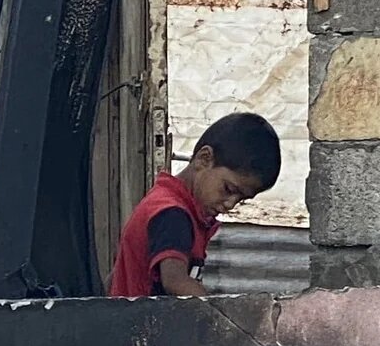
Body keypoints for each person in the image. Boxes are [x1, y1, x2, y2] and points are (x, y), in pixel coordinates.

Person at [107, 112, 280, 298]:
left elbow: (113, 278)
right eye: (229, 189)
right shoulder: (172, 213)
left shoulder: (172, 204)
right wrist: (220, 317)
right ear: (204, 159)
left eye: (241, 199)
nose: (231, 204)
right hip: (142, 325)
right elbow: (175, 281)